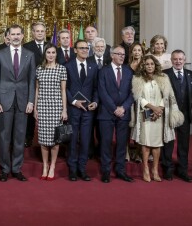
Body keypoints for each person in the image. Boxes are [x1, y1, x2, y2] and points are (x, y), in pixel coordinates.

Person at [0, 24, 36, 182]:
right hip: (4, 101)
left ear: (23, 36)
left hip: (23, 101)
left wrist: (31, 101)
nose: (16, 37)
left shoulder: (29, 55)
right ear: (8, 37)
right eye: (13, 34)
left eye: (19, 34)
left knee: (19, 137)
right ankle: (4, 169)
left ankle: (17, 168)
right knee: (4, 137)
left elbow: (32, 80)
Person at [130, 55, 176, 182]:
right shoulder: (137, 78)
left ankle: (155, 169)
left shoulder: (163, 78)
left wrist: (159, 108)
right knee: (145, 143)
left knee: (157, 143)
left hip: (159, 115)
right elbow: (138, 97)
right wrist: (152, 107)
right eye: (147, 64)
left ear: (155, 65)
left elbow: (167, 95)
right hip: (145, 114)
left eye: (152, 64)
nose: (150, 66)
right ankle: (145, 168)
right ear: (143, 66)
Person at [97, 46, 134, 183]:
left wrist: (123, 107)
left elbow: (133, 92)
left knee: (122, 143)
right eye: (119, 54)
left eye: (123, 54)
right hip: (107, 113)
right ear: (112, 55)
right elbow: (102, 92)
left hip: (124, 113)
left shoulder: (129, 71)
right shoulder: (103, 71)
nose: (122, 56)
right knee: (106, 143)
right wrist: (114, 108)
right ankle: (106, 171)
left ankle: (120, 170)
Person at [64, 40, 98, 181]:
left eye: (87, 48)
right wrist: (73, 101)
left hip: (88, 111)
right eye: (81, 48)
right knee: (72, 140)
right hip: (73, 109)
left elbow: (96, 87)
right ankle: (72, 169)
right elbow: (64, 88)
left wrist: (95, 101)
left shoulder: (93, 66)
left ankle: (82, 168)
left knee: (85, 140)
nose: (85, 50)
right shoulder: (67, 66)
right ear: (75, 50)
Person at [33, 44, 68, 181]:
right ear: (45, 54)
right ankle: (45, 166)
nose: (51, 55)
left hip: (56, 107)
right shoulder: (39, 69)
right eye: (48, 52)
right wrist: (35, 107)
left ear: (56, 54)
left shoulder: (61, 69)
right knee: (43, 140)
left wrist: (64, 110)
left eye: (53, 52)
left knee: (55, 140)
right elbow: (37, 89)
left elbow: (63, 90)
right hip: (42, 106)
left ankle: (52, 166)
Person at [162, 50, 192, 182]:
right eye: (175, 59)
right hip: (169, 114)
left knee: (183, 144)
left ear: (184, 60)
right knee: (168, 143)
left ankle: (183, 170)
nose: (178, 61)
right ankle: (168, 170)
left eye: (180, 59)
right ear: (171, 60)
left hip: (185, 115)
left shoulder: (191, 74)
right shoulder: (165, 74)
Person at [23, 21, 48, 147]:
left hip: (47, 85)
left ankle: (46, 139)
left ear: (45, 32)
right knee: (30, 112)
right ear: (33, 33)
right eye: (37, 31)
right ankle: (28, 138)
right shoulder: (26, 46)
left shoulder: (51, 46)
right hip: (31, 84)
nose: (39, 33)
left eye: (42, 31)